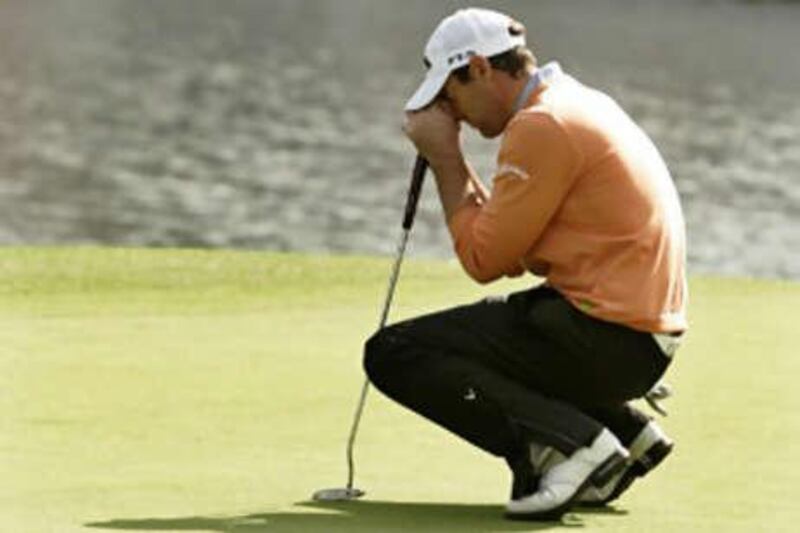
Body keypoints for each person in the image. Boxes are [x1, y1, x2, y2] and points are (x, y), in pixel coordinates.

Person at [363, 7, 687, 521]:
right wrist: (454, 158)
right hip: (629, 339)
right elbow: (508, 251)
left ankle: (573, 447)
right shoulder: (572, 103)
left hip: (607, 340)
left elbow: (483, 258)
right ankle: (625, 433)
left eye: (451, 95)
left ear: (480, 68)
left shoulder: (542, 126)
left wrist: (447, 158)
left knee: (395, 352)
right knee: (495, 322)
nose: (455, 114)